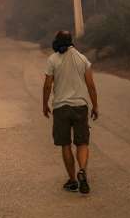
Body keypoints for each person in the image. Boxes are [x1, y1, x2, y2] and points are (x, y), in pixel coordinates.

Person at [42, 30, 99, 194]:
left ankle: (73, 180)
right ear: (71, 41)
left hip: (60, 108)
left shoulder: (53, 59)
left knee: (65, 144)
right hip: (80, 107)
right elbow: (91, 86)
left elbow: (47, 85)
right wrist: (95, 106)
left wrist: (44, 104)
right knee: (82, 143)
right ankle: (82, 170)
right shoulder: (83, 59)